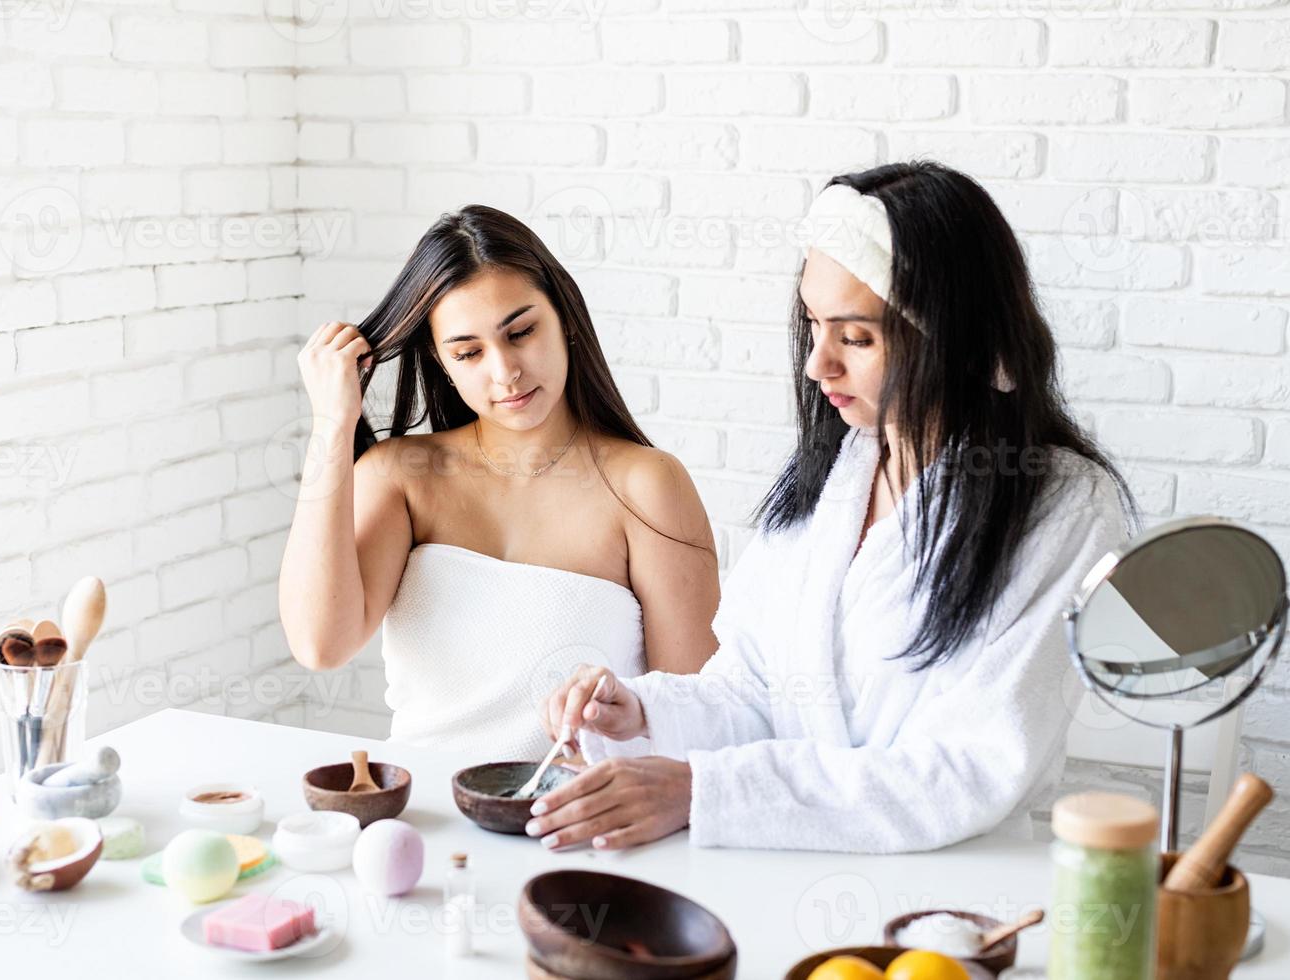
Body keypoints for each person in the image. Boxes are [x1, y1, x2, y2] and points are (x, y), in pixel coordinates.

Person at [527, 161, 1137, 853]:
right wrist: (641, 713)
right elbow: (756, 691)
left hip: (952, 884)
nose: (819, 366)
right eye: (814, 325)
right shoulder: (834, 476)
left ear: (956, 338)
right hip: (779, 858)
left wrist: (705, 790)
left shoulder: (1060, 509)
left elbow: (970, 768)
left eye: (857, 337)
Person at [279, 205, 719, 759]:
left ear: (564, 319)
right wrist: (331, 424)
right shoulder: (401, 478)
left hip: (582, 821)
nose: (504, 370)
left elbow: (696, 711)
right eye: (468, 352)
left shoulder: (646, 486)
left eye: (522, 332)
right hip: (426, 817)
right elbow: (320, 645)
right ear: (442, 361)